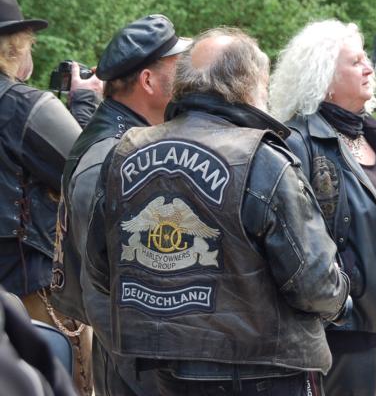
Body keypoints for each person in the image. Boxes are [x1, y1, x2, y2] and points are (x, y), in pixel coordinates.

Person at [85, 27, 350, 395]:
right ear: (251, 85)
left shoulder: (124, 152)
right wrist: (342, 302)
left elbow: (101, 268)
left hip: (162, 372)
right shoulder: (264, 160)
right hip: (264, 372)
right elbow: (315, 284)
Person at [269, 19, 376, 396]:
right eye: (355, 62)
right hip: (346, 324)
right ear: (324, 78)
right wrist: (340, 301)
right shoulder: (298, 142)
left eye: (366, 59)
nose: (368, 68)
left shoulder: (369, 132)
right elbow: (296, 240)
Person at [50, 14, 190, 395]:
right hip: (135, 357)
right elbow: (117, 281)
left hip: (134, 350)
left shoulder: (124, 141)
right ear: (148, 81)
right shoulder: (114, 158)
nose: (187, 77)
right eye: (177, 67)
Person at [0, 0, 101, 393]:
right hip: (28, 284)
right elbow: (83, 170)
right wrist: (86, 102)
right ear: (14, 49)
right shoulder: (24, 106)